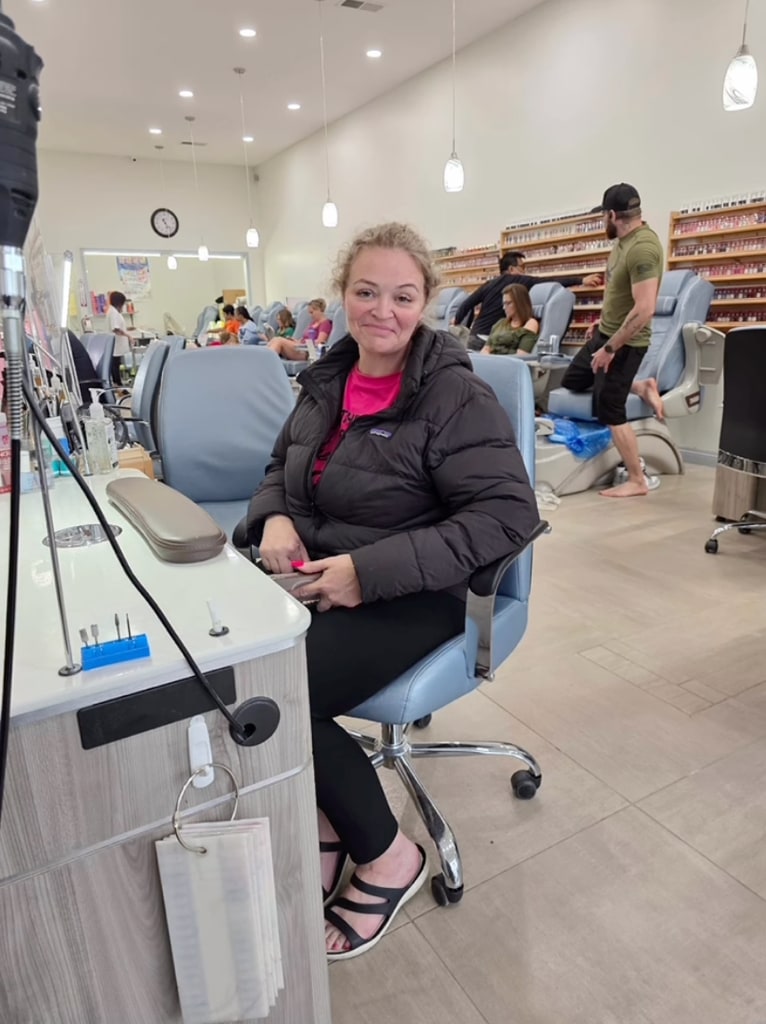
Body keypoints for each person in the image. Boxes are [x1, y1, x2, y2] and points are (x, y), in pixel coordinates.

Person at [244, 222, 539, 961]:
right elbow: (280, 467)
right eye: (366, 292)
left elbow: (508, 517)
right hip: (319, 579)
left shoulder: (453, 395)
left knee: (271, 694)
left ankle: (389, 857)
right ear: (343, 295)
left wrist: (365, 574)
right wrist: (275, 515)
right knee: (230, 660)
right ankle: (329, 820)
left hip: (419, 592)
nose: (383, 310)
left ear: (428, 303)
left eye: (403, 296)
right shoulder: (326, 379)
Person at [561, 183, 665, 498]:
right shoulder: (622, 241)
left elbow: (644, 309)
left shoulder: (643, 248)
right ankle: (641, 385)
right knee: (574, 378)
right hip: (606, 332)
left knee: (610, 408)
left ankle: (637, 480)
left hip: (626, 344)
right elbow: (619, 293)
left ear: (612, 214)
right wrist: (601, 324)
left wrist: (609, 348)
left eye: (603, 217)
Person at [452, 251, 602, 340]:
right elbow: (548, 281)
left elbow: (466, 304)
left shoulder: (488, 284)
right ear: (511, 269)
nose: (524, 271)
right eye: (522, 267)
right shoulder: (519, 280)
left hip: (474, 337)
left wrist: (457, 321)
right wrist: (581, 280)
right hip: (491, 339)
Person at [482, 283, 539, 355]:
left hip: (507, 363)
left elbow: (521, 355)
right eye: (504, 304)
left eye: (508, 303)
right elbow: (485, 349)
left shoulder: (530, 323)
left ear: (520, 303)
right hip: (491, 361)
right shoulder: (500, 323)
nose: (504, 308)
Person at [105, 291, 133, 386]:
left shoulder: (113, 311)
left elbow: (118, 326)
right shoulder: (113, 312)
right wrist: (128, 336)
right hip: (116, 345)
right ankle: (118, 385)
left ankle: (118, 384)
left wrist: (126, 329)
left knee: (115, 365)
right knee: (115, 366)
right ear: (119, 303)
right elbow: (115, 329)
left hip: (116, 345)